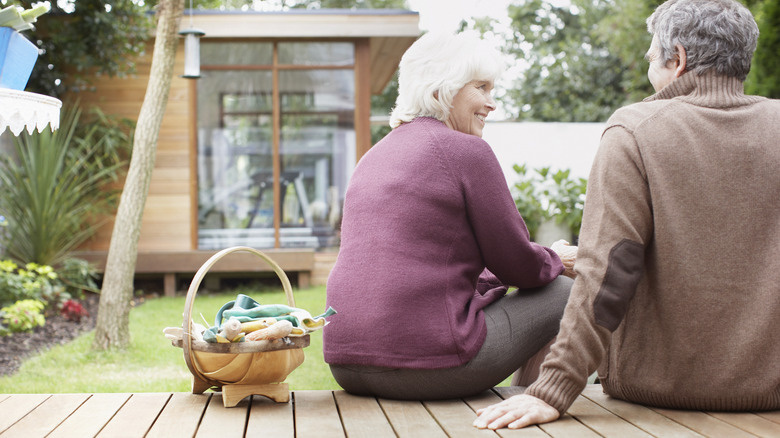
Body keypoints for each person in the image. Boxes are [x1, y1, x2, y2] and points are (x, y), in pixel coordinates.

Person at [474, 0, 780, 429]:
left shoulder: (636, 129)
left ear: (679, 59)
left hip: (662, 390)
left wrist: (552, 389)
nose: (647, 64)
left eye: (652, 54)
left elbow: (609, 268)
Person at [322, 31, 576, 400]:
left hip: (346, 365)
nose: (492, 103)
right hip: (429, 366)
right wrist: (558, 259)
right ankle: (536, 405)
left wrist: (539, 263)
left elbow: (420, 262)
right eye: (482, 88)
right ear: (443, 89)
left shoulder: (373, 156)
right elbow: (520, 266)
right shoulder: (467, 150)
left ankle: (528, 400)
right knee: (566, 291)